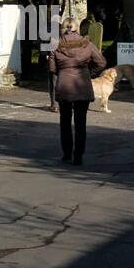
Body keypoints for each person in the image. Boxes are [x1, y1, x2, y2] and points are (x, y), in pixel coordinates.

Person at [48, 19, 107, 166]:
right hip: (82, 86)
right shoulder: (87, 43)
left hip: (64, 86)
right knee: (81, 123)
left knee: (65, 122)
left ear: (63, 28)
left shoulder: (55, 45)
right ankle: (78, 156)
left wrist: (63, 71)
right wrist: (90, 74)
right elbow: (102, 62)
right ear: (76, 28)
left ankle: (67, 154)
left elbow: (52, 69)